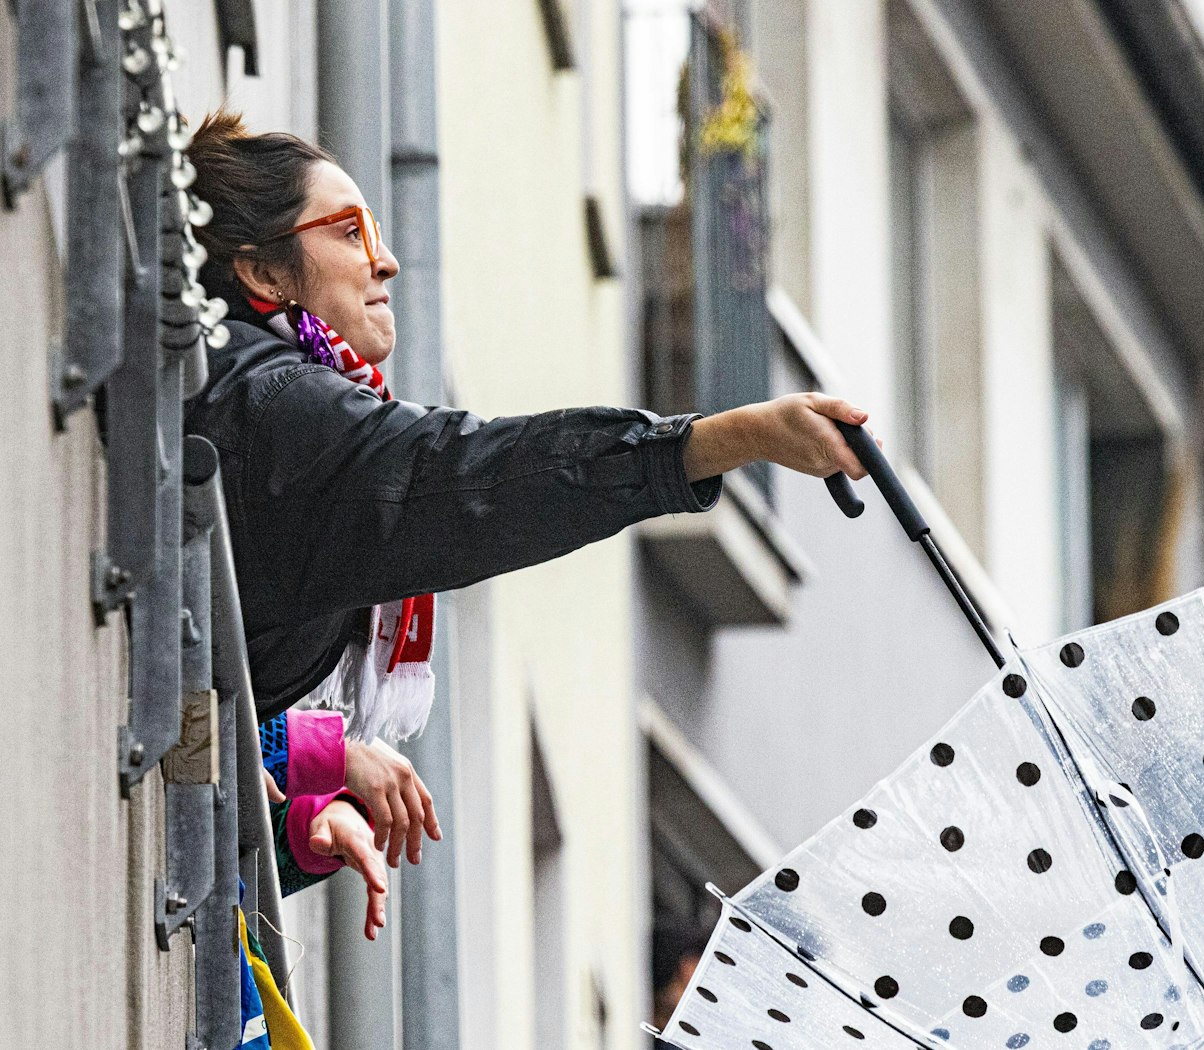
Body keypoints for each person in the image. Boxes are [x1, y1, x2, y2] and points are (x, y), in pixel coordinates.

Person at [184, 111, 872, 934]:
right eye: (351, 229)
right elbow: (470, 479)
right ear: (265, 271)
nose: (387, 259)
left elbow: (219, 742)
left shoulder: (262, 394)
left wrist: (304, 813)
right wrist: (722, 440)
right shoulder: (279, 411)